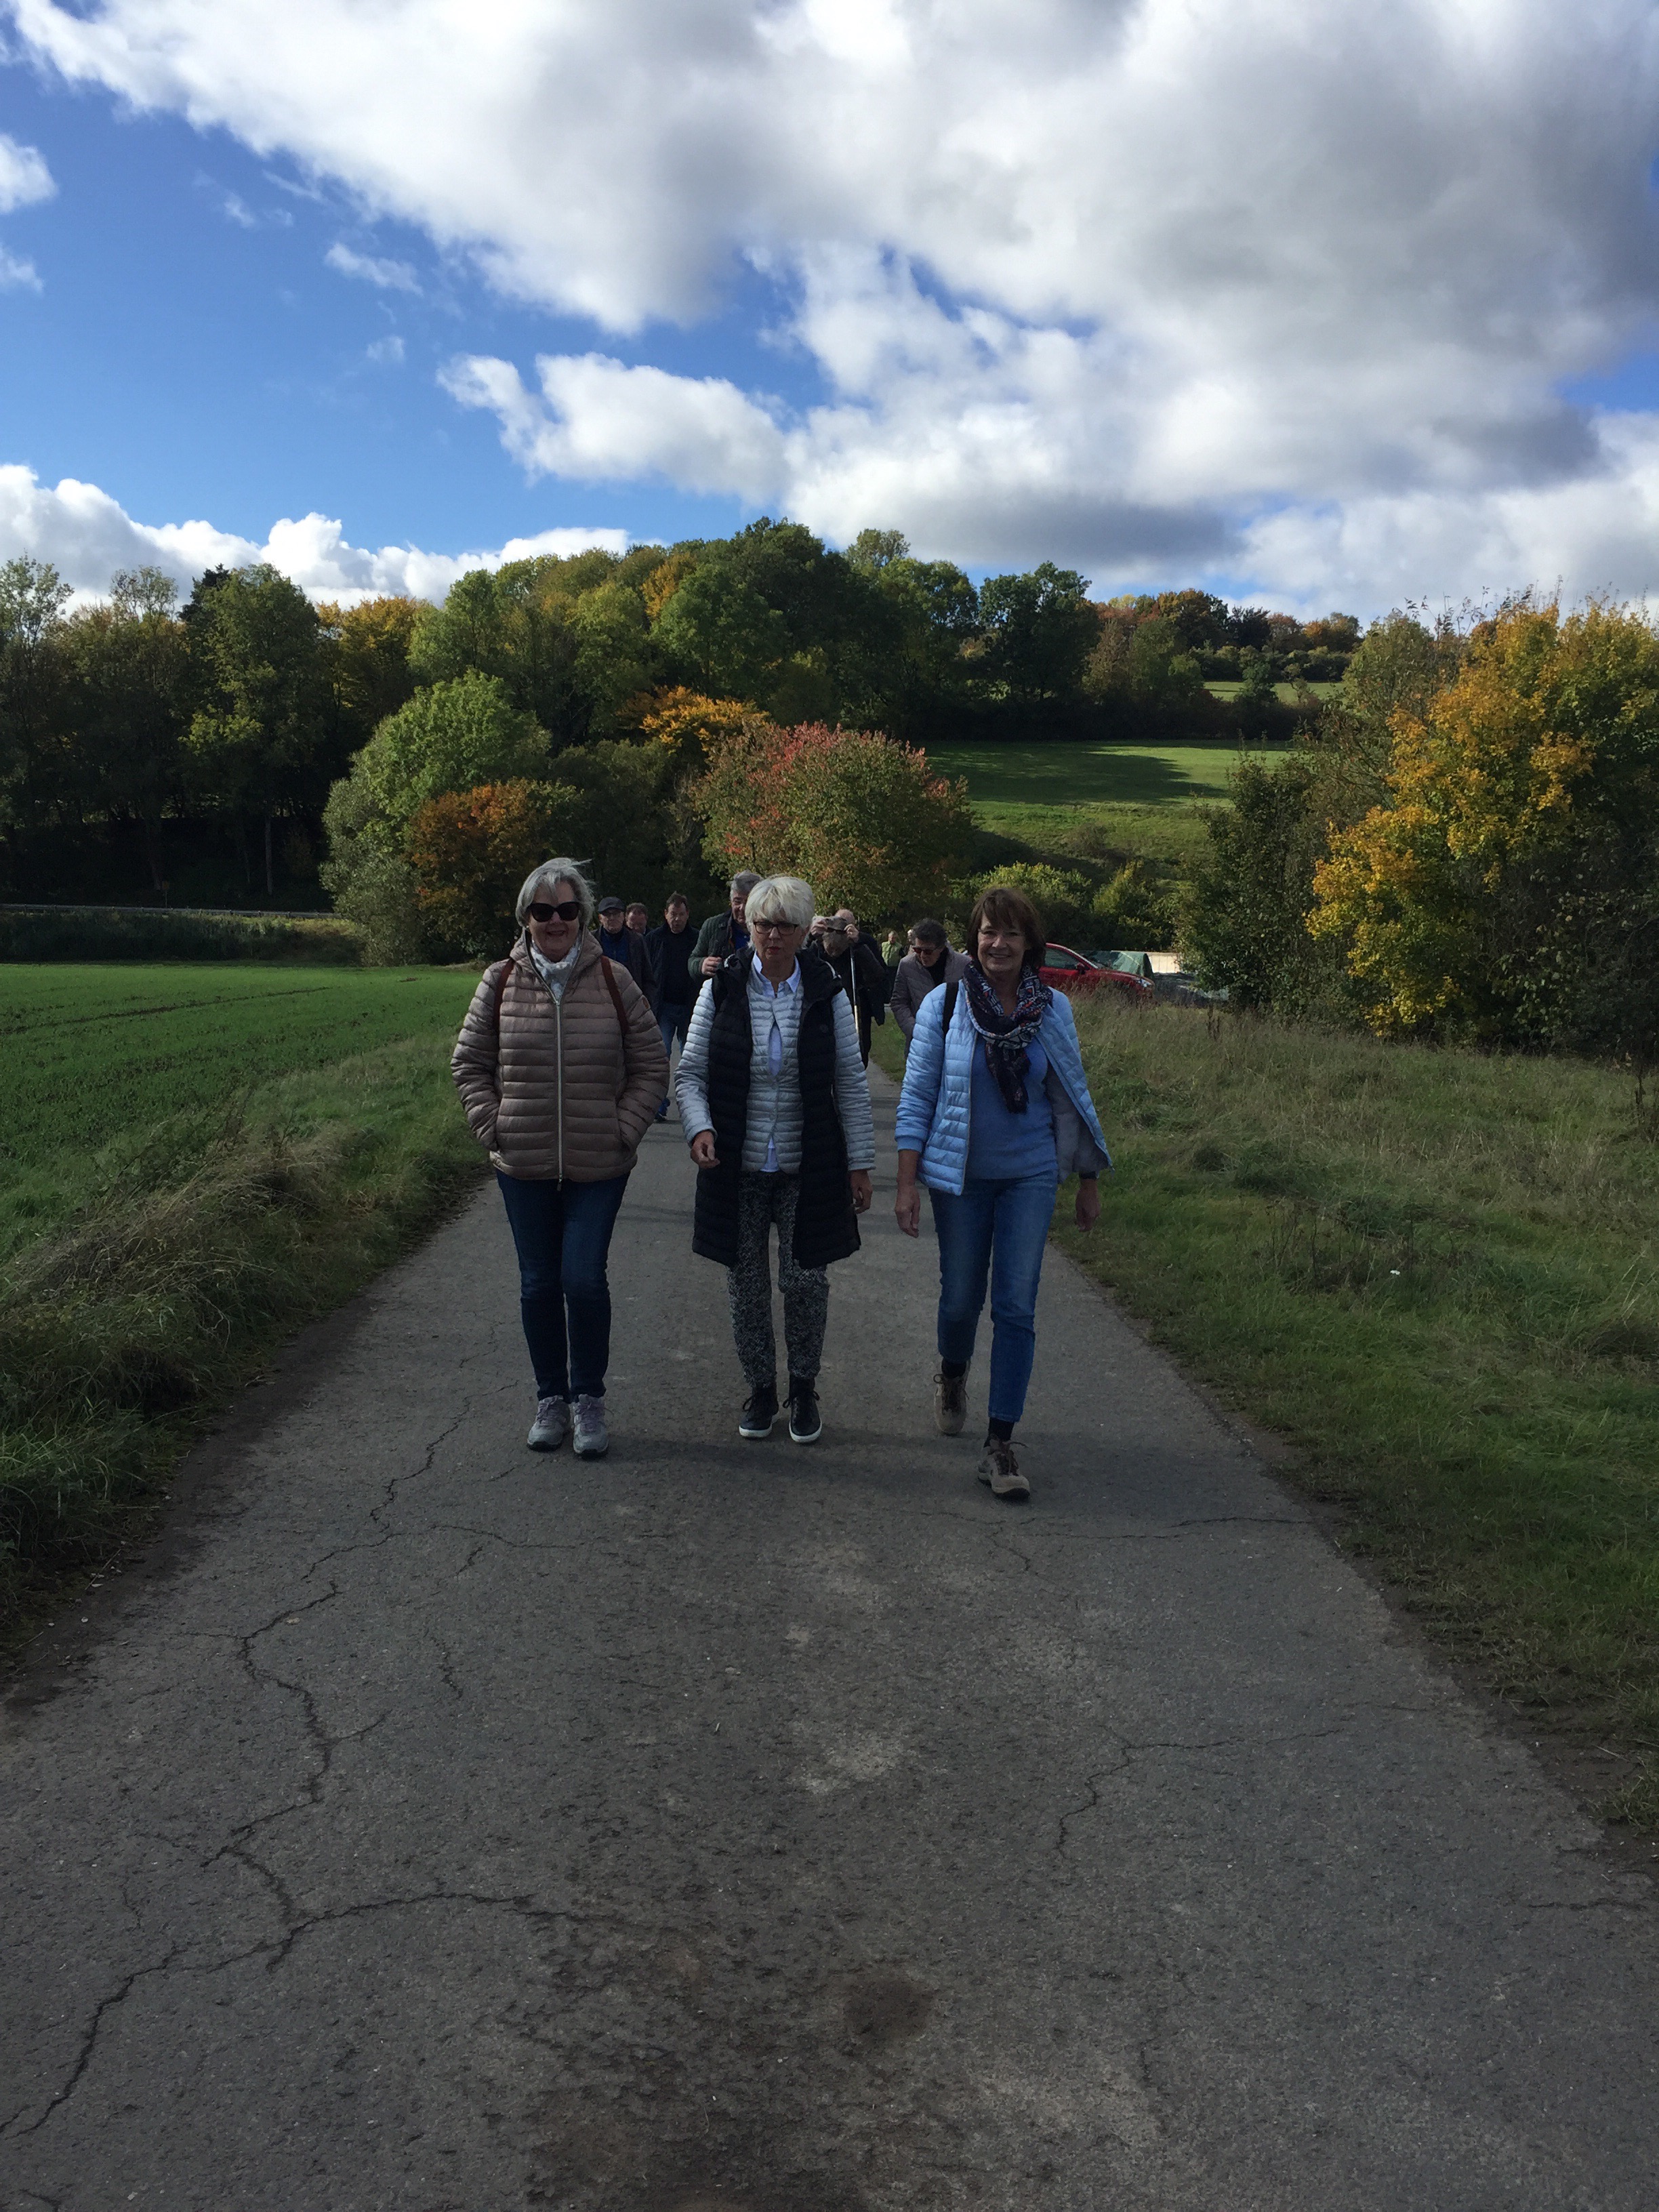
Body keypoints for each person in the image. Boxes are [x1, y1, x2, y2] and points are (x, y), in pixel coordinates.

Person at [893, 884, 1109, 1501]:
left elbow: (1071, 1095)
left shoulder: (1053, 1009)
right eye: (989, 932)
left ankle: (1000, 1442)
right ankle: (953, 1372)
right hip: (961, 1177)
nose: (999, 943)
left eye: (1011, 933)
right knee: (961, 1300)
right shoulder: (944, 1006)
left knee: (1016, 1304)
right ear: (974, 940)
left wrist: (1087, 1180)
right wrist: (906, 1184)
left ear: (1029, 942)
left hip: (1029, 1175)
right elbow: (917, 1096)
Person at [452, 859, 668, 1461]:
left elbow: (652, 1065)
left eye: (567, 910)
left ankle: (588, 1398)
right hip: (522, 1163)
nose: (555, 921)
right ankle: (551, 1397)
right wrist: (493, 1125)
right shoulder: (498, 981)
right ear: (526, 917)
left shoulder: (614, 981)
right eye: (543, 910)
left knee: (583, 1279)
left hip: (599, 1164)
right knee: (539, 1283)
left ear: (583, 916)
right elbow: (468, 1063)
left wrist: (624, 1129)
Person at [676, 874, 874, 1446]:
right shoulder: (722, 987)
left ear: (804, 930)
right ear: (748, 925)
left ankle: (804, 1389)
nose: (773, 935)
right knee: (746, 1284)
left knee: (805, 1279)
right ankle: (761, 1388)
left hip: (807, 1163)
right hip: (736, 1163)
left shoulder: (826, 991)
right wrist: (700, 1128)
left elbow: (849, 1081)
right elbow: (690, 1074)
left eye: (786, 925)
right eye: (763, 923)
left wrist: (860, 1162)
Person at [645, 890, 698, 1122]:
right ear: (665, 914)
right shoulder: (654, 939)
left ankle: (692, 1107)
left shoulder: (697, 939)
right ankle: (658, 1104)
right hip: (663, 1007)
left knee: (691, 1059)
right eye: (673, 914)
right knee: (661, 1055)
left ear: (688, 915)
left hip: (690, 1008)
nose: (677, 919)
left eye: (681, 914)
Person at [817, 907, 890, 1065]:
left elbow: (878, 975)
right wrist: (811, 936)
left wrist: (859, 945)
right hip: (824, 1007)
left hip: (857, 1005)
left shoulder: (863, 942)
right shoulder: (820, 943)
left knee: (859, 1053)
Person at [890, 920, 970, 1045]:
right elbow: (899, 1002)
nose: (922, 955)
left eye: (928, 951)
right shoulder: (907, 965)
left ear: (941, 948)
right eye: (917, 950)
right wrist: (915, 1030)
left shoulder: (964, 965)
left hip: (957, 1041)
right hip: (920, 1041)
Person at [693, 872, 760, 980]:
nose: (742, 908)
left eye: (748, 902)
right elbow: (693, 959)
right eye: (737, 901)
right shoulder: (713, 926)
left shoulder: (771, 930)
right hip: (723, 988)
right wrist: (701, 965)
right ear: (731, 902)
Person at [596, 895, 653, 996]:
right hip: (600, 998)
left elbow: (647, 977)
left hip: (631, 997)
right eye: (607, 914)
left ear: (623, 917)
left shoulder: (637, 940)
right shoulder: (591, 940)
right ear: (600, 918)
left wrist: (647, 1002)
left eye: (616, 914)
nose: (612, 918)